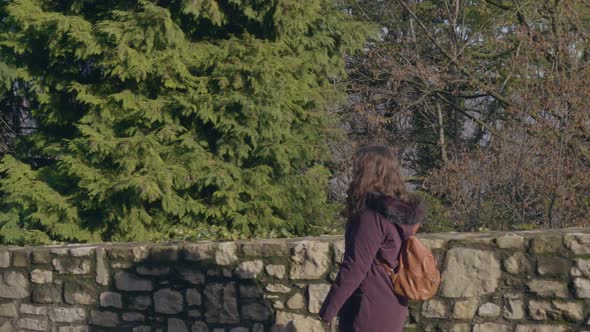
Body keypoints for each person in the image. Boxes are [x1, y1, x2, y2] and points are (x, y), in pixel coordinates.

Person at [319, 145, 425, 332]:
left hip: (368, 306)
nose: (353, 174)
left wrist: (328, 310)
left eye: (357, 169)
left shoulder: (370, 216)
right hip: (393, 302)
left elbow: (355, 267)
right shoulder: (398, 212)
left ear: (366, 173)